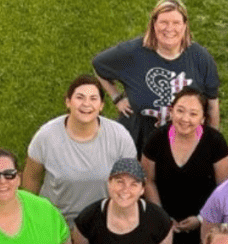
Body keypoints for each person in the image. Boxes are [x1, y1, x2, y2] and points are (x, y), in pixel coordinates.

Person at [92, 0, 221, 155]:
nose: (169, 28)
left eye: (176, 22)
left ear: (185, 25)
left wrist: (212, 143)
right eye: (163, 22)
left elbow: (212, 105)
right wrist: (116, 97)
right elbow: (99, 65)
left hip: (184, 141)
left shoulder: (200, 58)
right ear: (154, 24)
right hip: (138, 139)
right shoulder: (133, 53)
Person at [23, 75, 137, 226]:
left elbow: (131, 182)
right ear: (68, 102)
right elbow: (32, 178)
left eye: (93, 98)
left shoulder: (119, 135)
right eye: (80, 97)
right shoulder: (46, 136)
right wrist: (30, 215)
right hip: (57, 223)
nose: (86, 104)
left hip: (104, 222)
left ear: (101, 105)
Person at [142, 87, 228, 244]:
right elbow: (148, 180)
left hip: (205, 219)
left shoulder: (216, 143)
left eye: (193, 114)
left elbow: (224, 188)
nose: (185, 119)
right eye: (180, 110)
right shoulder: (156, 139)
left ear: (203, 118)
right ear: (171, 111)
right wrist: (162, 218)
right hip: (165, 219)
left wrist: (200, 219)